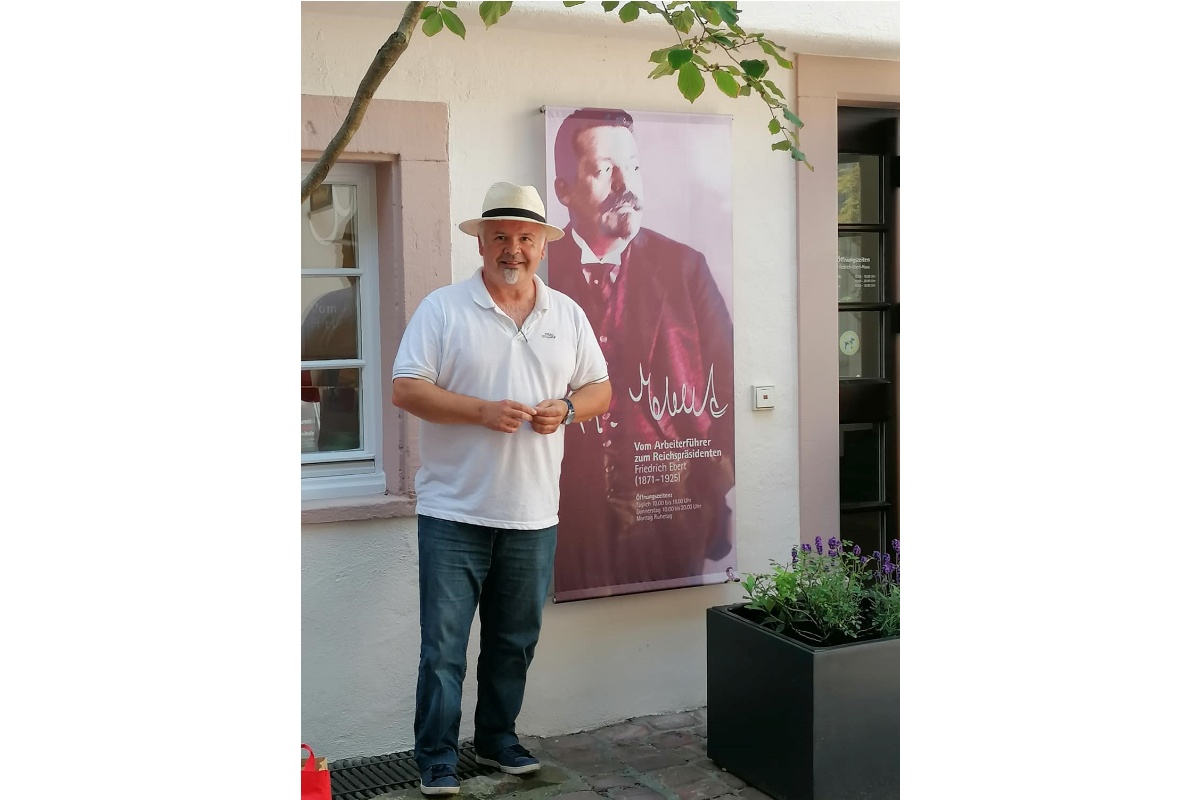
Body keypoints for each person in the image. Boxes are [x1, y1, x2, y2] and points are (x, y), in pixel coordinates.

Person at [391, 182, 611, 796]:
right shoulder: (443, 308)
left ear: (542, 245)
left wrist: (566, 410)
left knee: (514, 641)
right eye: (501, 237)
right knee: (443, 646)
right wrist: (480, 412)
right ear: (481, 242)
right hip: (453, 509)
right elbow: (406, 388)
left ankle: (495, 741)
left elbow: (601, 390)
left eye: (525, 238)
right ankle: (435, 756)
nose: (512, 248)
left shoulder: (566, 314)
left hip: (533, 511)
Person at [548, 107, 735, 599]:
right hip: (568, 525)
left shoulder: (685, 269)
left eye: (632, 167)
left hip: (673, 523)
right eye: (603, 169)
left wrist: (710, 485)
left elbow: (729, 385)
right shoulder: (542, 274)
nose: (623, 183)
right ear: (563, 190)